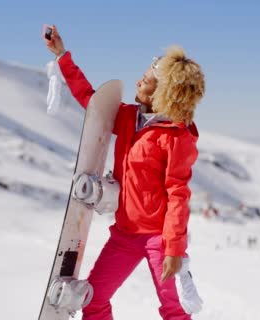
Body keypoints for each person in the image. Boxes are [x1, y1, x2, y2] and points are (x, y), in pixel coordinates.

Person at [43, 25, 205, 320]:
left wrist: (175, 250)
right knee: (94, 302)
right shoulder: (129, 117)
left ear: (163, 94)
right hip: (125, 235)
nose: (138, 80)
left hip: (160, 239)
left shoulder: (176, 137)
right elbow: (92, 102)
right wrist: (63, 56)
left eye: (145, 80)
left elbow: (178, 194)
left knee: (175, 311)